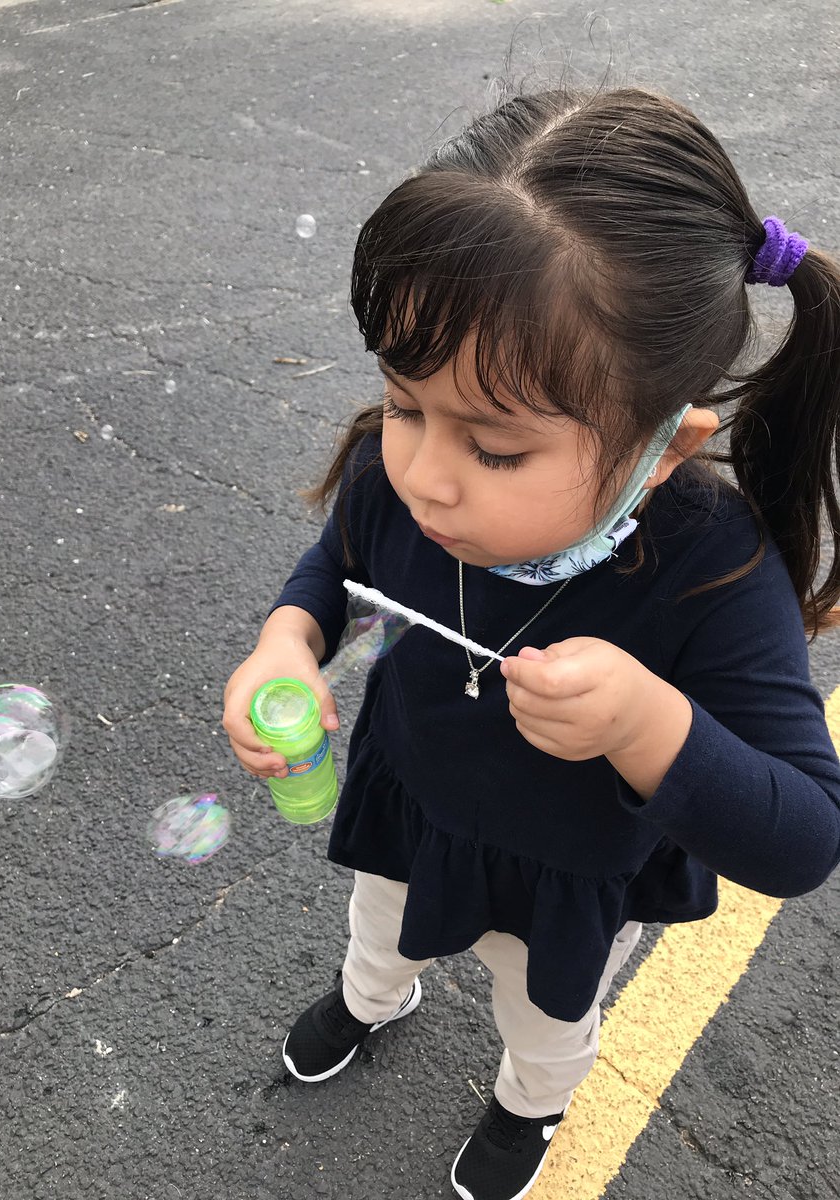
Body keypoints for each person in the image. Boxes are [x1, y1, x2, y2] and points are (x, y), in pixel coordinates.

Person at [223, 86, 840, 1200]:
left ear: (663, 449)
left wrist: (650, 725)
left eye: (496, 449)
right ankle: (373, 999)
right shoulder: (390, 474)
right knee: (380, 926)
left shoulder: (715, 569)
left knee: (545, 1013)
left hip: (570, 870)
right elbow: (340, 568)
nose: (424, 473)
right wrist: (284, 644)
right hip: (414, 801)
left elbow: (802, 838)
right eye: (405, 402)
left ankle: (530, 1108)